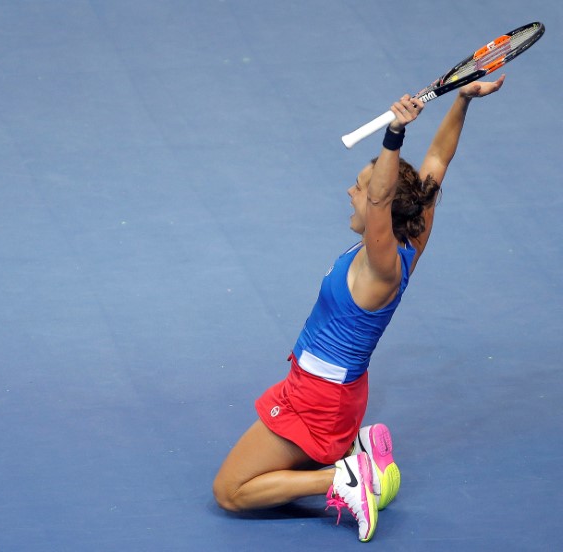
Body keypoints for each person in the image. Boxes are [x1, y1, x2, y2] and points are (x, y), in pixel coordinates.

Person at [212, 75, 506, 542]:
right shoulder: (414, 234)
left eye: (360, 188)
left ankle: (344, 477)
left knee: (230, 492)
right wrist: (462, 102)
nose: (352, 193)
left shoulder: (381, 264)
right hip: (336, 394)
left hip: (318, 400)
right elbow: (437, 161)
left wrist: (395, 133)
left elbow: (380, 196)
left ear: (380, 210)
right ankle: (353, 450)